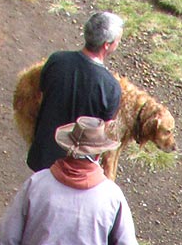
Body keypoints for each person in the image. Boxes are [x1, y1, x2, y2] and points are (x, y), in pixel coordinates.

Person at [0, 116, 141, 245]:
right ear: (99, 154)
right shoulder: (112, 197)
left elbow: (8, 233)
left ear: (67, 148)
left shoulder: (37, 183)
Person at [27, 11, 124, 172]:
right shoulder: (111, 87)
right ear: (107, 45)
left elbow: (42, 94)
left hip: (42, 156)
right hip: (77, 168)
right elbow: (102, 131)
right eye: (118, 40)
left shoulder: (56, 60)